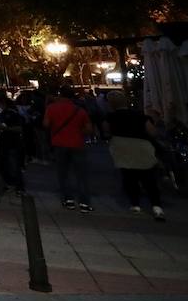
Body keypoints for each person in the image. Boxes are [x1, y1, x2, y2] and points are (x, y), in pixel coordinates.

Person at [106, 92, 165, 221]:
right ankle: (156, 206)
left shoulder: (111, 117)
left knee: (129, 175)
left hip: (122, 147)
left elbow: (106, 132)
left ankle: (135, 204)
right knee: (148, 177)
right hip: (142, 146)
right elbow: (152, 132)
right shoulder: (139, 115)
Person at [44, 86, 93, 212]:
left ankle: (68, 199)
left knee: (63, 173)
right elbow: (89, 129)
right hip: (77, 143)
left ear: (60, 95)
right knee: (81, 174)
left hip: (59, 143)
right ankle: (84, 203)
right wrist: (77, 132)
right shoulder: (79, 110)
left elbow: (46, 124)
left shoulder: (52, 108)